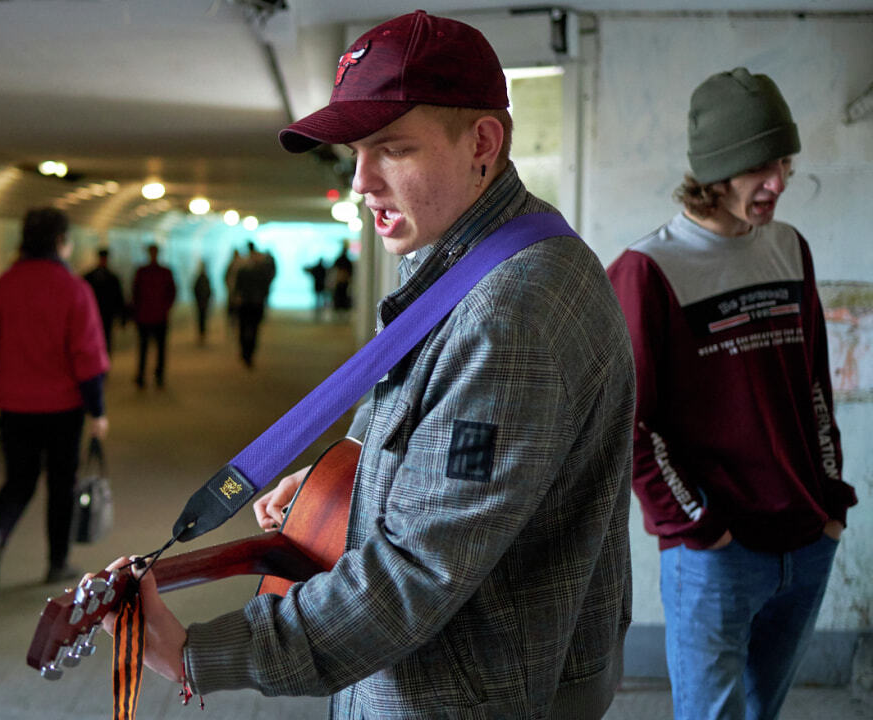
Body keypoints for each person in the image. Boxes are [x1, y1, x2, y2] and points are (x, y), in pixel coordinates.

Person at [101, 12, 636, 718]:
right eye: (357, 151)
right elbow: (434, 429)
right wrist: (346, 477)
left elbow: (419, 568)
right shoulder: (469, 265)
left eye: (392, 149)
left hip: (471, 693)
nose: (361, 181)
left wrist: (195, 653)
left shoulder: (512, 312)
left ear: (482, 142)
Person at [606, 68, 857, 720]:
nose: (777, 179)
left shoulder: (788, 248)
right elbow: (630, 425)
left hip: (807, 541)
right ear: (713, 171)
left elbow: (813, 389)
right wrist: (698, 526)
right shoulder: (648, 271)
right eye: (757, 165)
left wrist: (831, 507)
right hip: (716, 555)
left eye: (782, 160)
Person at [0, 207, 109, 594]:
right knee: (61, 484)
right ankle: (56, 563)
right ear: (62, 242)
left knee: (18, 481)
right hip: (63, 408)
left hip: (15, 406)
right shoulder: (74, 289)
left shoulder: (6, 284)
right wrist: (97, 411)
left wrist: (5, 366)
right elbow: (87, 356)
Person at [130, 244, 176, 388]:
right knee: (144, 348)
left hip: (158, 316)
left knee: (160, 349)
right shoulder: (143, 272)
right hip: (145, 316)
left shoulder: (163, 272)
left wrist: (165, 307)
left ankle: (159, 375)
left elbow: (172, 292)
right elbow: (135, 293)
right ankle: (142, 375)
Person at [233, 241, 276, 368]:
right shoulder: (254, 271)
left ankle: (247, 353)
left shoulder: (248, 270)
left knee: (250, 328)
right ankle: (247, 352)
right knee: (248, 328)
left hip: (251, 304)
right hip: (252, 304)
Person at [83, 248, 126, 354]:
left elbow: (118, 297)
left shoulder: (110, 277)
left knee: (106, 339)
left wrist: (122, 315)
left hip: (106, 314)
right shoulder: (91, 276)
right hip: (95, 313)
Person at [192, 260, 213, 345]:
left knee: (202, 318)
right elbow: (196, 289)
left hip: (203, 301)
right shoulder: (202, 278)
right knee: (201, 318)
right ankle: (201, 333)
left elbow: (208, 290)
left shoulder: (204, 278)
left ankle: (202, 333)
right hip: (201, 301)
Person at [331, 241, 354, 313]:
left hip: (342, 282)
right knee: (340, 298)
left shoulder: (343, 260)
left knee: (341, 298)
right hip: (341, 282)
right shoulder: (345, 261)